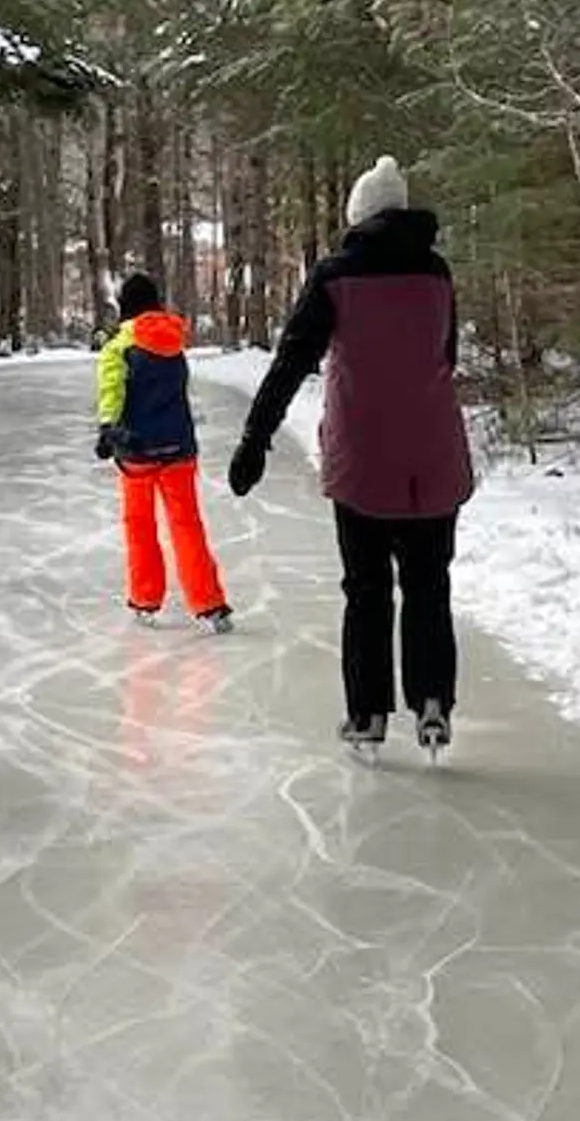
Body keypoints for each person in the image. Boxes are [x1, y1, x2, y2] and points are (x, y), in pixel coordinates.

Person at [227, 155, 473, 751]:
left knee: (366, 589)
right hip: (434, 455)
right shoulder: (436, 273)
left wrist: (254, 439)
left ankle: (367, 715)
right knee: (428, 583)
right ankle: (432, 701)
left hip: (361, 458)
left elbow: (290, 362)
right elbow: (446, 355)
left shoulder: (335, 276)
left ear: (358, 215)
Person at [96, 270, 232, 632]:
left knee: (139, 525)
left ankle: (145, 598)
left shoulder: (118, 347)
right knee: (187, 524)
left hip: (136, 450)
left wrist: (108, 428)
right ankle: (210, 604)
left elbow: (111, 392)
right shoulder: (174, 341)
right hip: (179, 448)